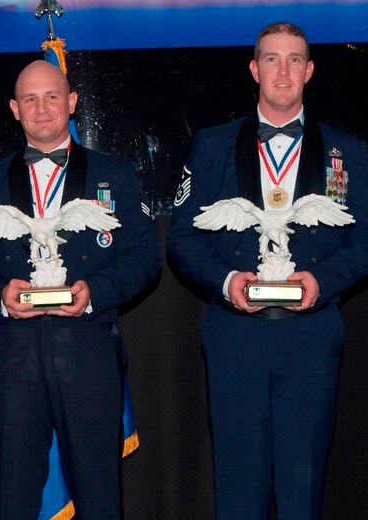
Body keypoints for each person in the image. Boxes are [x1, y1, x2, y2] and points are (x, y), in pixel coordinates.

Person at [167, 22, 368, 519]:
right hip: (236, 338)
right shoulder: (213, 146)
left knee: (304, 484)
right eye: (272, 59)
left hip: (312, 338)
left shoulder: (350, 151)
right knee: (238, 486)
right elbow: (183, 239)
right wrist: (229, 281)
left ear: (310, 70)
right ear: (255, 69)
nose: (284, 70)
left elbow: (365, 241)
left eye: (295, 59)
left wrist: (322, 282)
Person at [0, 60, 160, 519]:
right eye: (29, 98)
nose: (41, 108)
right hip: (10, 359)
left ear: (71, 102)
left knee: (99, 495)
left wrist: (96, 291)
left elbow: (146, 257)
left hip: (88, 355)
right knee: (11, 495)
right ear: (14, 109)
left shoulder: (116, 174)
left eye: (51, 97)